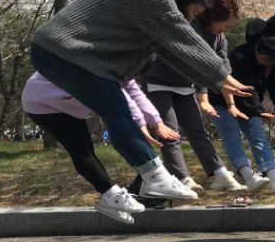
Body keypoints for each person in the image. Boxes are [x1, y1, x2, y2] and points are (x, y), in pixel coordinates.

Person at [29, 0, 252, 221]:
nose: (192, 19)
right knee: (117, 111)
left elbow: (173, 52)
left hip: (68, 54)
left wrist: (216, 79)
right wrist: (220, 72)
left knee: (116, 111)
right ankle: (154, 177)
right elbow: (183, 37)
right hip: (63, 51)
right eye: (195, 12)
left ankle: (135, 185)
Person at [22, 73, 177, 224]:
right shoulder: (99, 60)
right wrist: (141, 125)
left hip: (68, 102)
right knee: (81, 150)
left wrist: (156, 121)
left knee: (86, 150)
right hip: (42, 101)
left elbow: (133, 91)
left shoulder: (120, 64)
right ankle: (110, 196)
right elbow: (121, 100)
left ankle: (111, 198)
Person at [140, 0, 248, 195]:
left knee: (198, 131)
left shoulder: (219, 38)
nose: (224, 32)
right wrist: (204, 97)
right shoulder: (192, 29)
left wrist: (232, 93)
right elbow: (197, 64)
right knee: (170, 133)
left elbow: (221, 67)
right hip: (158, 82)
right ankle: (181, 178)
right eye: (223, 27)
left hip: (183, 86)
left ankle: (219, 174)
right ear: (212, 16)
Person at [207, 11, 275, 204]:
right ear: (256, 48)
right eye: (263, 59)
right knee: (231, 132)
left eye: (270, 62)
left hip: (248, 102)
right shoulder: (240, 55)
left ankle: (274, 177)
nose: (265, 63)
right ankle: (248, 176)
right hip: (220, 99)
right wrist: (257, 109)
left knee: (257, 133)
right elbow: (246, 88)